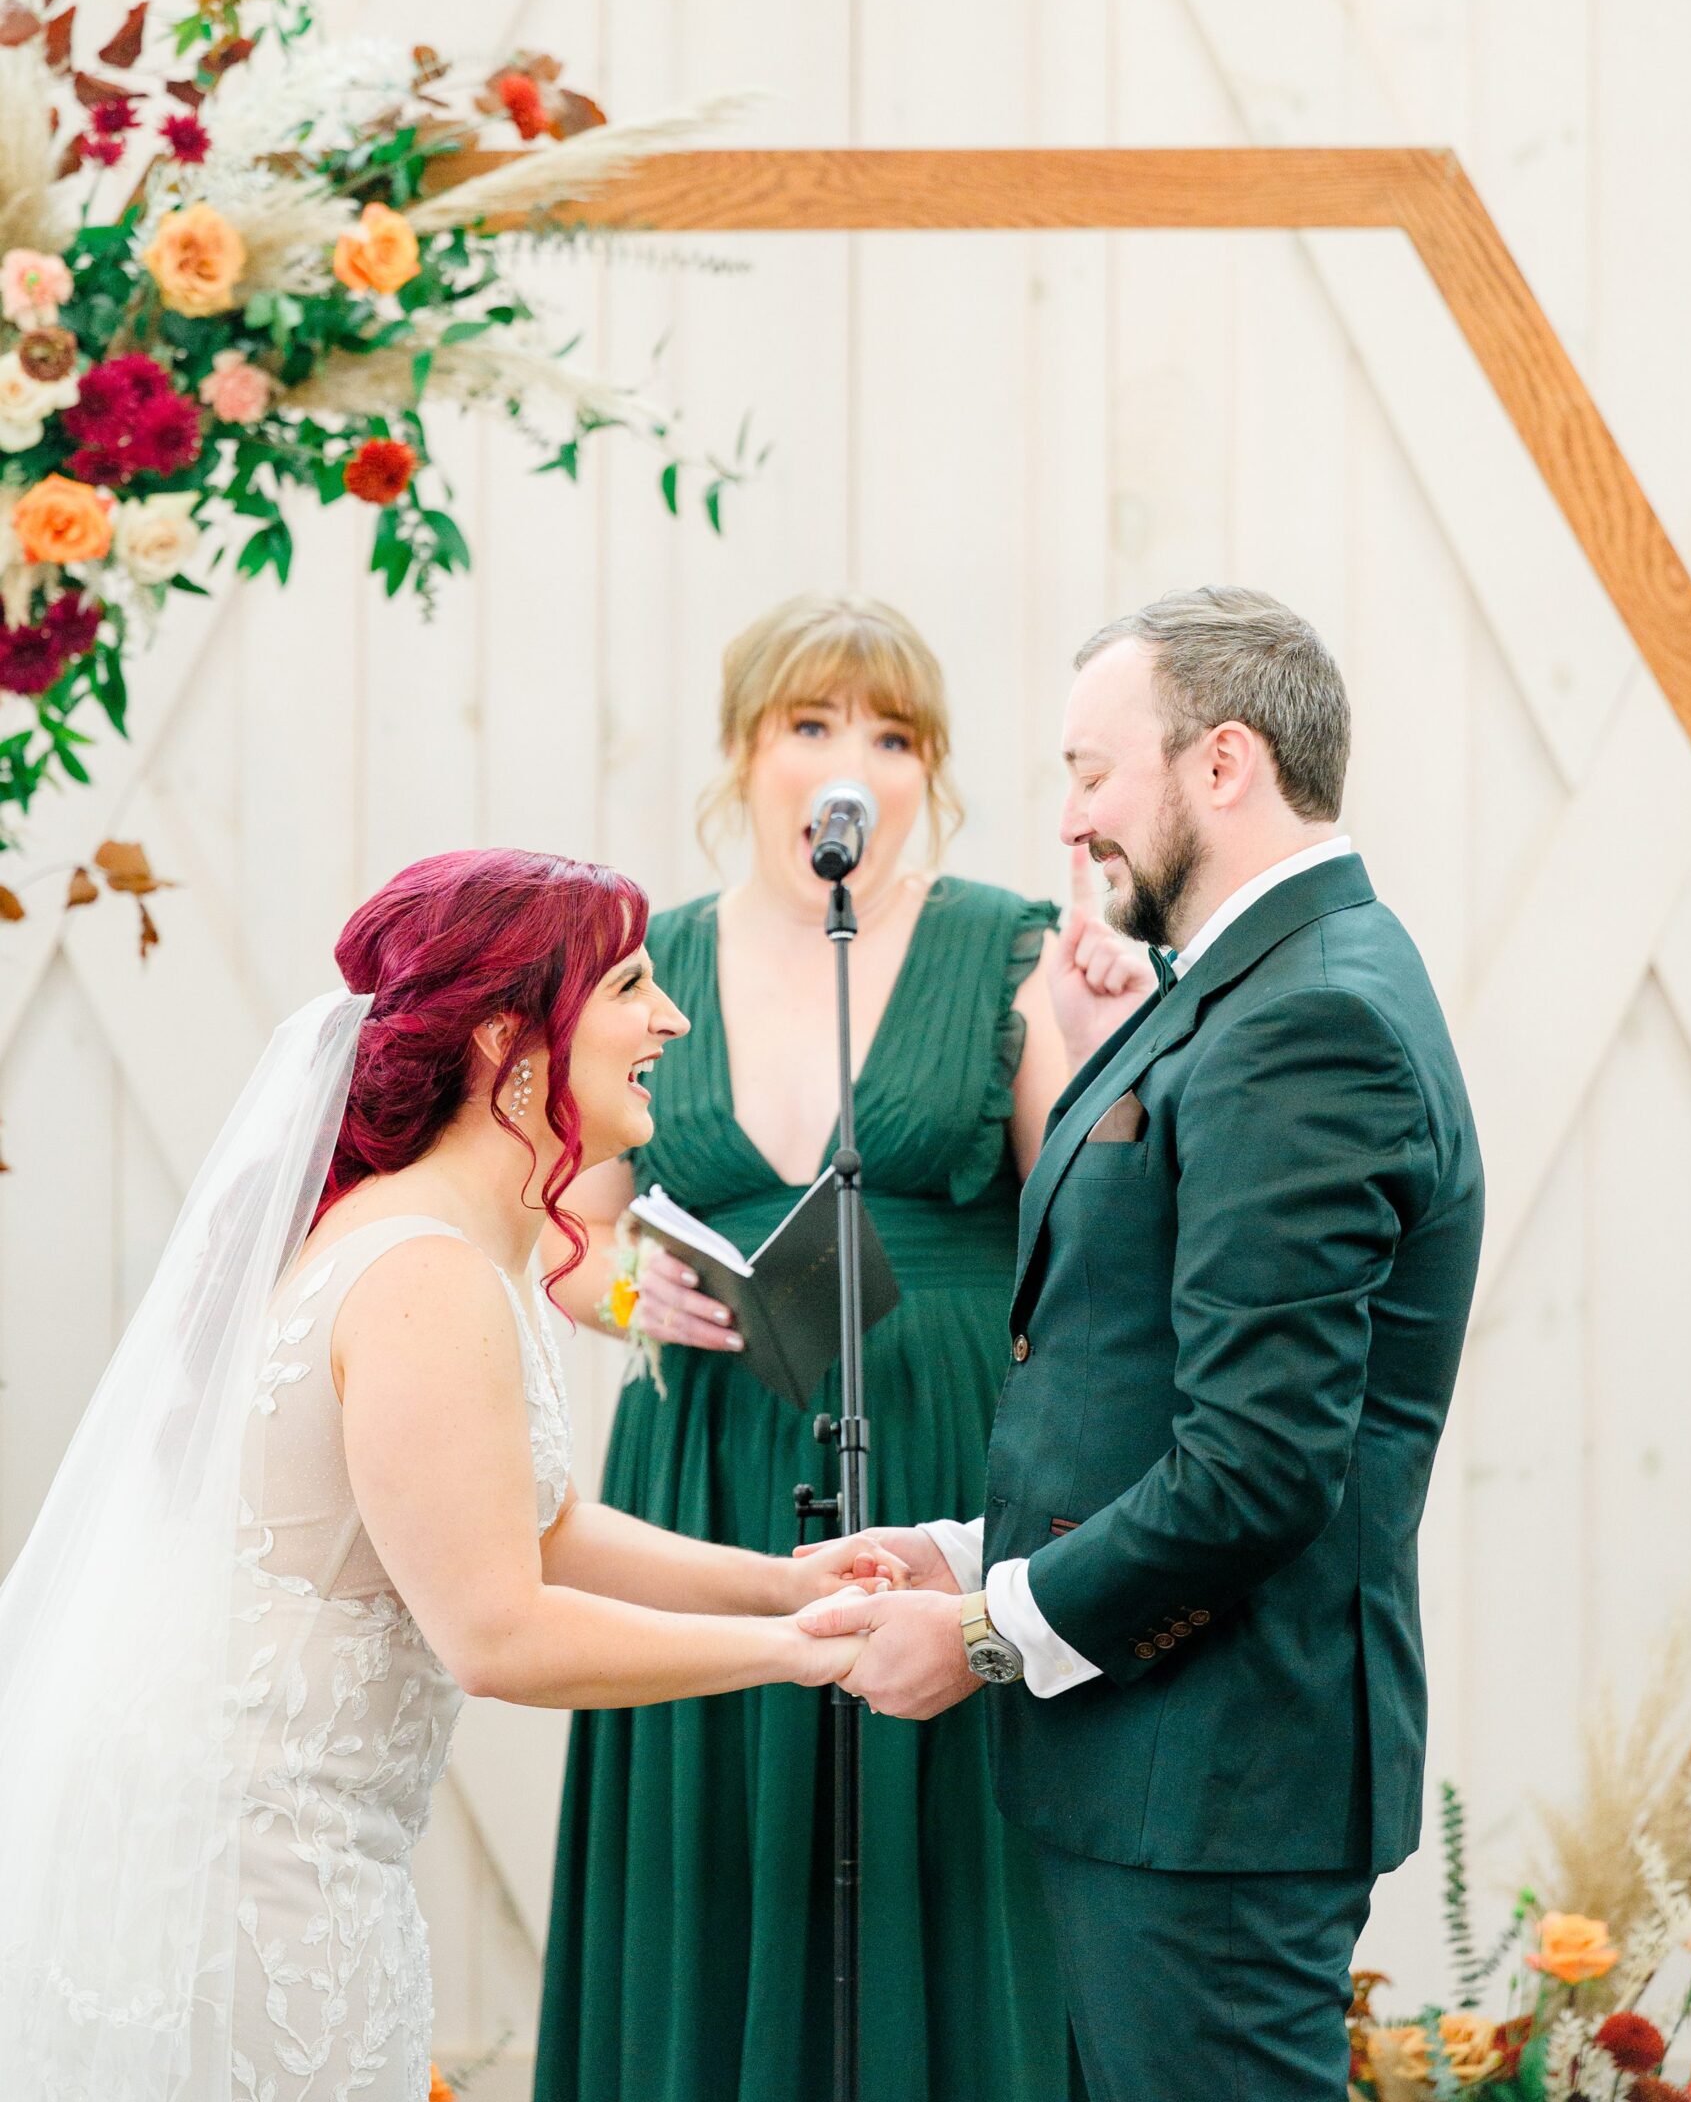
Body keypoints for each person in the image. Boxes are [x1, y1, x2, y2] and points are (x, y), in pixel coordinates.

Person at [0, 847, 901, 2102]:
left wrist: (775, 1583)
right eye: (631, 984)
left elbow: (540, 1526)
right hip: (259, 1869)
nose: (671, 1017)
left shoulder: (459, 1239)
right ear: (507, 1040)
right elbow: (498, 1632)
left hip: (300, 1845)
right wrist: (804, 1652)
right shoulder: (423, 1270)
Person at [803, 587, 1485, 2102]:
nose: (1066, 821)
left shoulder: (1311, 1022)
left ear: (1220, 762)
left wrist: (988, 1635)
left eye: (1091, 773)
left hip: (1216, 1791)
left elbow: (1252, 1468)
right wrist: (963, 1550)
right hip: (1157, 1772)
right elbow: (1146, 1393)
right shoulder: (1241, 996)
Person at [535, 594, 1151, 2102]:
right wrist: (624, 1293)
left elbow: (1094, 1219)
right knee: (722, 1836)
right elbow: (560, 1224)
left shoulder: (1007, 945)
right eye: (808, 726)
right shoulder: (641, 960)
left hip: (942, 1444)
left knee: (936, 1842)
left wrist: (1110, 1047)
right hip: (712, 1459)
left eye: (888, 736)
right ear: (743, 755)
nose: (846, 766)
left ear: (924, 769)